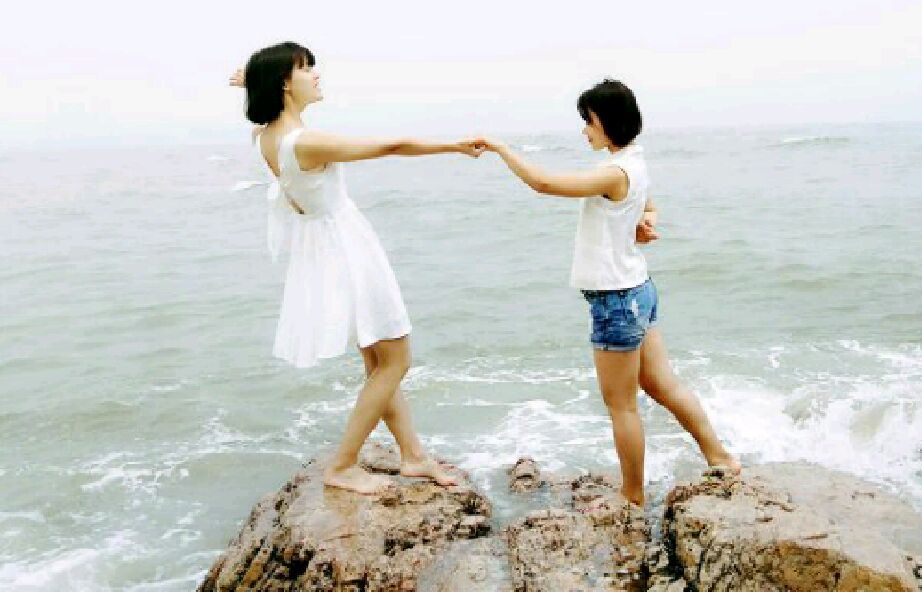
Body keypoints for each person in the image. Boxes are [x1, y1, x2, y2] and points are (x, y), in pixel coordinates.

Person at [231, 41, 482, 495]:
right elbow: (392, 145)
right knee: (396, 359)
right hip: (349, 248)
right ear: (285, 83)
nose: (317, 75)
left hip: (323, 249)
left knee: (379, 360)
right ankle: (343, 464)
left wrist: (250, 78)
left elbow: (262, 97)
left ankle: (413, 456)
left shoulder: (264, 137)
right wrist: (453, 145)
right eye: (307, 69)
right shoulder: (307, 142)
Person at [475, 79, 739, 506]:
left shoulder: (614, 173)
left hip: (617, 300)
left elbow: (544, 184)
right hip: (637, 290)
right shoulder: (634, 163)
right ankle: (719, 456)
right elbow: (649, 205)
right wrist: (642, 224)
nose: (585, 130)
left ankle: (632, 496)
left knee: (622, 406)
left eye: (589, 121)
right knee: (663, 385)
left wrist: (501, 149)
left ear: (607, 122)